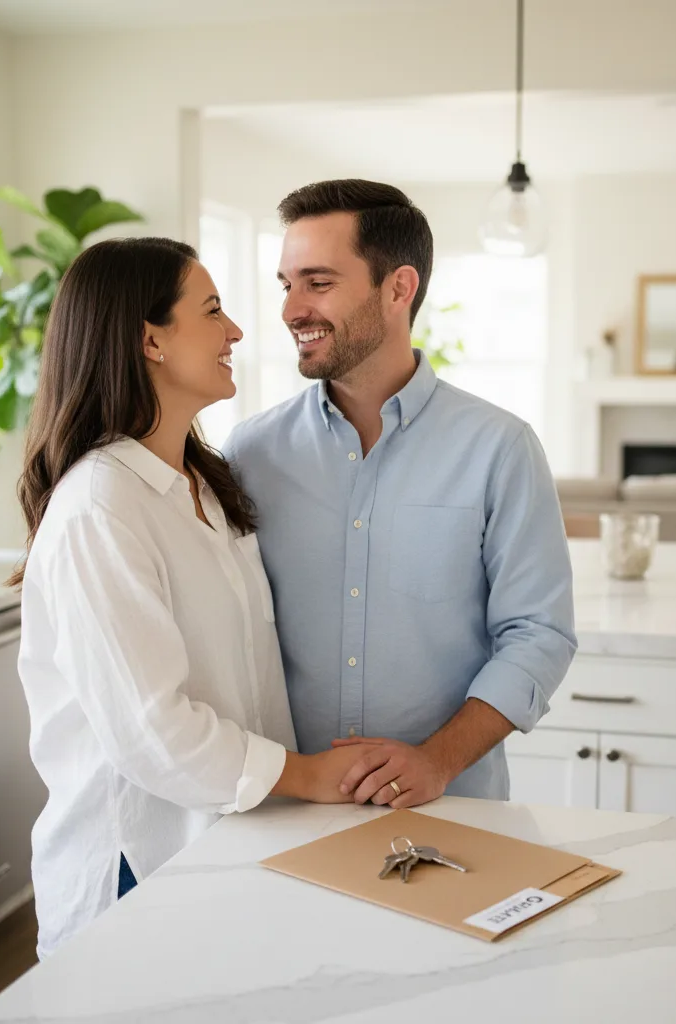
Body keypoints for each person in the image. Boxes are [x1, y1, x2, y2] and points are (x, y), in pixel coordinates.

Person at [14, 237, 372, 958]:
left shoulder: (201, 484)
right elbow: (152, 732)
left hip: (222, 841)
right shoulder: (99, 507)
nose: (237, 330)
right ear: (150, 338)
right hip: (134, 866)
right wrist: (306, 777)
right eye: (212, 311)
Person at [224, 180, 576, 809]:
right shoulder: (249, 454)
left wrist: (437, 761)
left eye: (319, 282)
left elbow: (539, 634)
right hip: (284, 809)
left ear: (398, 288)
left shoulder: (500, 448)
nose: (290, 310)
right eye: (287, 284)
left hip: (451, 805)